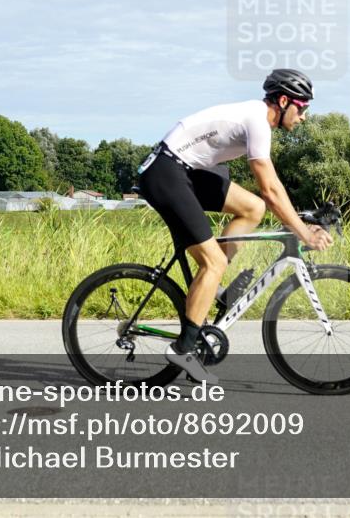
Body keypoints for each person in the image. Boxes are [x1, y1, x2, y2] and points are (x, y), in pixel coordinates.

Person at [137, 68, 333, 383]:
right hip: (166, 173)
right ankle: (183, 349)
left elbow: (270, 191)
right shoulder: (257, 121)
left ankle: (212, 287)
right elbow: (270, 189)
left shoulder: (257, 119)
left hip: (185, 170)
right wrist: (303, 232)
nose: (304, 116)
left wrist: (299, 218)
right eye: (302, 107)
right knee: (214, 261)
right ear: (284, 102)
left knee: (252, 208)